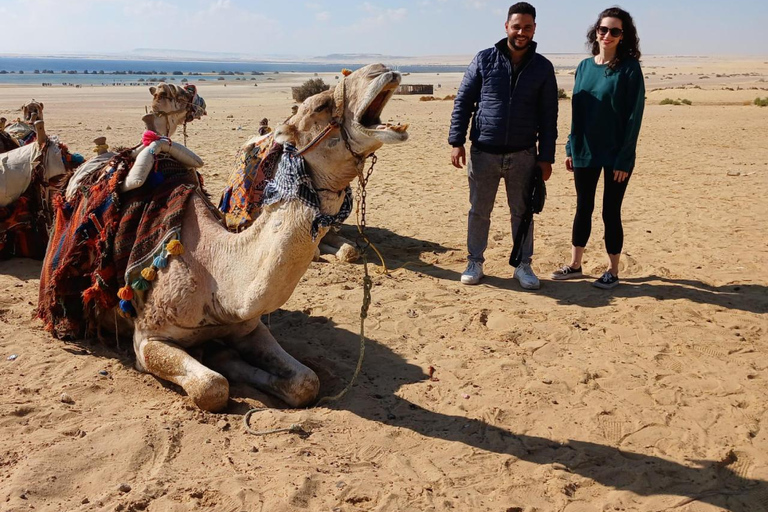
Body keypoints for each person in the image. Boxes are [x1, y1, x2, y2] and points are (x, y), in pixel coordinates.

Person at [449, 2, 558, 289]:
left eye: (527, 27)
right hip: (483, 151)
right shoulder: (484, 59)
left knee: (522, 212)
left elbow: (549, 116)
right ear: (506, 27)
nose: (521, 32)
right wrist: (456, 141)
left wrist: (546, 157)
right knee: (479, 210)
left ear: (534, 29)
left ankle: (523, 266)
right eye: (516, 26)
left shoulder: (543, 67)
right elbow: (464, 101)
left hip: (524, 154)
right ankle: (475, 262)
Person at [551, 7, 645, 289]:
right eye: (603, 30)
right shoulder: (583, 67)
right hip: (584, 150)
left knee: (610, 211)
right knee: (583, 206)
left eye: (614, 31)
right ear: (596, 32)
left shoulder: (629, 68)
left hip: (616, 153)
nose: (607, 35)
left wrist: (624, 158)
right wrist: (570, 146)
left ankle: (613, 271)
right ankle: (576, 264)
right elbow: (577, 112)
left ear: (623, 36)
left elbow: (634, 115)